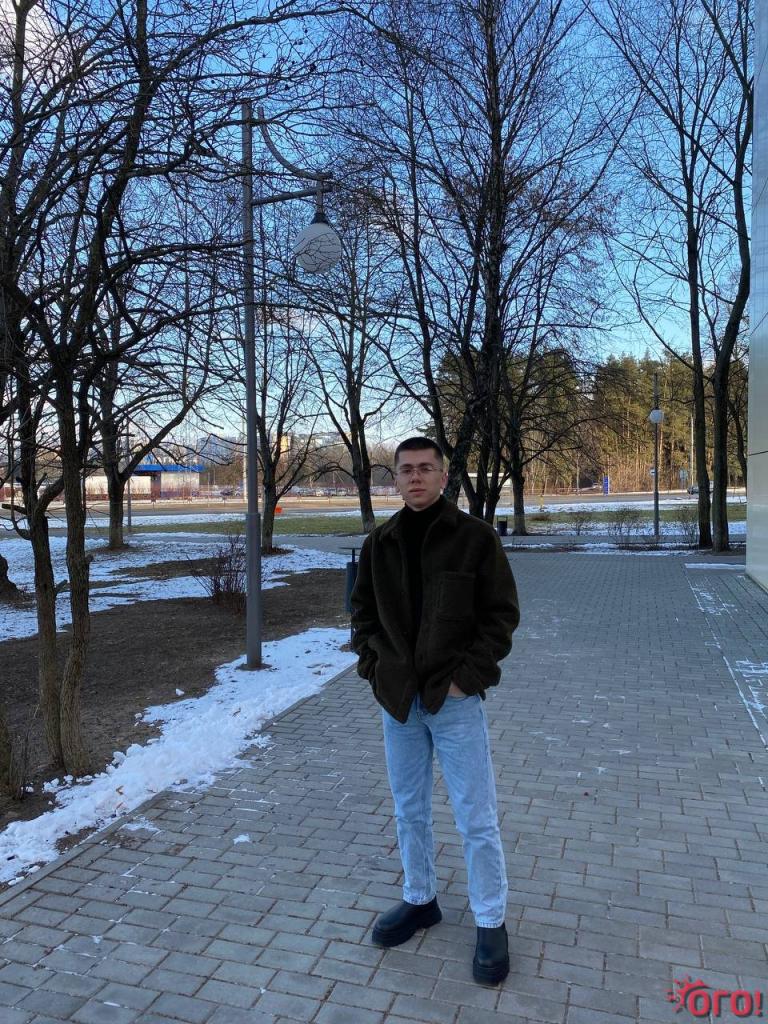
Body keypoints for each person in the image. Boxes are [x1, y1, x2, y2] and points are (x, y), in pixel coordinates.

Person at [350, 436, 520, 985]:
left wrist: (466, 681)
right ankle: (420, 899)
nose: (416, 477)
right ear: (396, 479)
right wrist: (376, 670)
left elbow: (500, 617)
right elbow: (362, 616)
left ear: (444, 477)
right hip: (399, 703)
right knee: (409, 810)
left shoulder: (474, 539)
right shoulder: (380, 544)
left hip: (454, 704)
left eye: (426, 468)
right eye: (406, 470)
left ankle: (490, 919)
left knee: (476, 817)